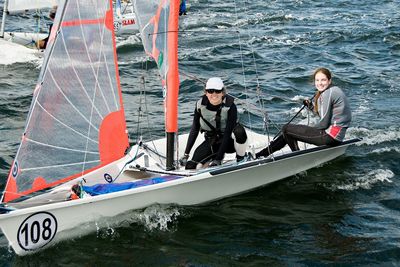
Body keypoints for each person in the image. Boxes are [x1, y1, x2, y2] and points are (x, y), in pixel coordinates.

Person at [255, 67, 352, 158]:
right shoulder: (334, 90)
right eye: (317, 80)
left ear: (329, 81)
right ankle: (261, 154)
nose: (320, 83)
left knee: (286, 128)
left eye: (323, 80)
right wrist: (311, 107)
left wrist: (307, 130)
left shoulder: (328, 94)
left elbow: (324, 124)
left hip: (330, 137)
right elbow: (325, 115)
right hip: (337, 136)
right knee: (290, 131)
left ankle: (297, 155)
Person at [180, 77, 248, 169]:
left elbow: (228, 133)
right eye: (210, 91)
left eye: (217, 91)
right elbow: (195, 129)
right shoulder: (200, 105)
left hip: (230, 143)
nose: (214, 94)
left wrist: (218, 159)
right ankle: (209, 160)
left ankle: (241, 159)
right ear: (206, 92)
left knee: (239, 131)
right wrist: (186, 154)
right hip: (212, 141)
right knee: (191, 166)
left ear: (222, 92)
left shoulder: (230, 106)